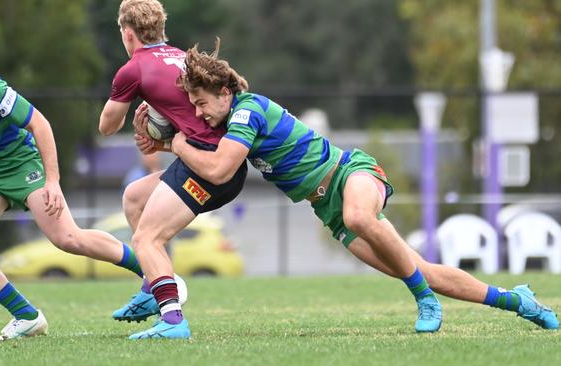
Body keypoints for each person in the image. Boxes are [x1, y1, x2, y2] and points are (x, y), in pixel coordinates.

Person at [154, 39, 559, 333]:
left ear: (224, 92)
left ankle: (425, 301)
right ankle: (517, 299)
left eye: (202, 103)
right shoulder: (225, 121)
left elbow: (221, 170)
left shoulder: (247, 111)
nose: (198, 112)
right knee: (422, 270)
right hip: (327, 209)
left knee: (360, 215)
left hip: (350, 173)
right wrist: (166, 135)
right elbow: (203, 155)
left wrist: (176, 144)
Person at [0, 11, 147, 340]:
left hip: (22, 163)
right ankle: (26, 316)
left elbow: (40, 124)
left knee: (68, 239)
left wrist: (52, 181)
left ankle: (154, 274)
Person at [98, 0, 247, 339]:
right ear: (162, 29)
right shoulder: (184, 57)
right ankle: (152, 288)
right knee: (135, 198)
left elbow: (107, 126)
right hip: (223, 160)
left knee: (147, 237)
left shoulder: (133, 68)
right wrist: (162, 137)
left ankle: (173, 319)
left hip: (204, 166)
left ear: (128, 32)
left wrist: (142, 115)